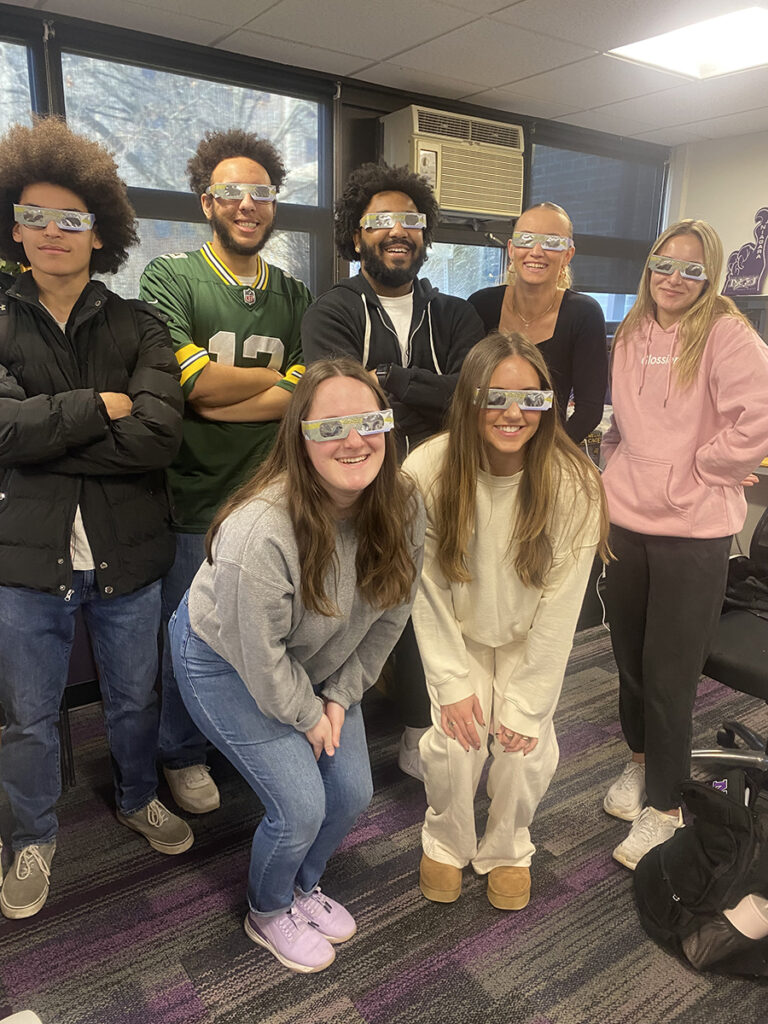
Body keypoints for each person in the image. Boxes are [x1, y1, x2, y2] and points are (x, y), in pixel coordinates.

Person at [168, 358, 425, 973]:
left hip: (318, 659)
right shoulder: (261, 531)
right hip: (225, 660)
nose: (354, 440)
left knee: (353, 793)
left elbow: (392, 614)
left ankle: (303, 887)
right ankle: (268, 908)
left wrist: (340, 695)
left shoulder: (404, 504)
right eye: (330, 426)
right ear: (299, 435)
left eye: (369, 421)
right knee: (301, 805)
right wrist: (309, 715)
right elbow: (258, 656)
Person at [0, 117, 189, 920]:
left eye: (72, 219)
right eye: (37, 216)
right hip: (25, 561)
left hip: (127, 552)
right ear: (14, 226)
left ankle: (139, 794)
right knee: (27, 715)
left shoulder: (140, 323)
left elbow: (157, 436)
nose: (53, 232)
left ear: (100, 231)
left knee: (135, 701)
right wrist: (97, 406)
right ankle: (30, 838)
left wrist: (44, 436)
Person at [404, 332, 609, 910]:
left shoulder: (574, 483)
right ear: (469, 398)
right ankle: (446, 840)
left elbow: (562, 608)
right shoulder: (429, 467)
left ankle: (507, 848)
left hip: (527, 641)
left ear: (550, 404)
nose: (514, 414)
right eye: (496, 398)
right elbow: (427, 588)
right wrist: (450, 681)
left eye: (531, 400)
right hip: (459, 634)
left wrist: (528, 700)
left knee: (523, 748)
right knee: (455, 742)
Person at [139, 130, 311, 815]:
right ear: (206, 202)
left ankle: (248, 740)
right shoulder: (170, 277)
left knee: (268, 632)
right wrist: (268, 384)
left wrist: (221, 389)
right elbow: (192, 388)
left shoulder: (296, 295)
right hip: (193, 502)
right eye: (232, 192)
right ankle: (182, 754)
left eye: (262, 192)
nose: (248, 204)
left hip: (273, 500)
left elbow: (299, 396)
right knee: (189, 636)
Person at [302, 162, 484, 779]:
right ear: (356, 237)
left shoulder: (457, 314)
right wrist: (424, 396)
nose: (397, 231)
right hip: (357, 494)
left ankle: (416, 728)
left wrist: (388, 380)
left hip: (442, 488)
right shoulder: (331, 311)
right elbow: (339, 404)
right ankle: (323, 722)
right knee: (352, 609)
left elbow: (473, 395)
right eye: (380, 221)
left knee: (432, 608)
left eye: (410, 220)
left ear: (425, 236)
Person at [601, 219, 768, 870]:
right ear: (649, 266)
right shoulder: (633, 330)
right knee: (629, 663)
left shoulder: (726, 333)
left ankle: (667, 807)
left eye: (692, 270)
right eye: (664, 264)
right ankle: (642, 765)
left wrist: (706, 467)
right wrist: (613, 467)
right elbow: (621, 419)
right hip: (625, 521)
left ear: (711, 278)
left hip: (692, 535)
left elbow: (759, 418)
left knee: (669, 677)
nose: (674, 279)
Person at [468, 202, 608, 444]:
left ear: (568, 255)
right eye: (526, 239)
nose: (536, 250)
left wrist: (549, 455)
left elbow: (589, 410)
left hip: (549, 451)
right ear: (511, 249)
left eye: (552, 242)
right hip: (483, 448)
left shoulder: (584, 314)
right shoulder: (480, 306)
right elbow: (465, 392)